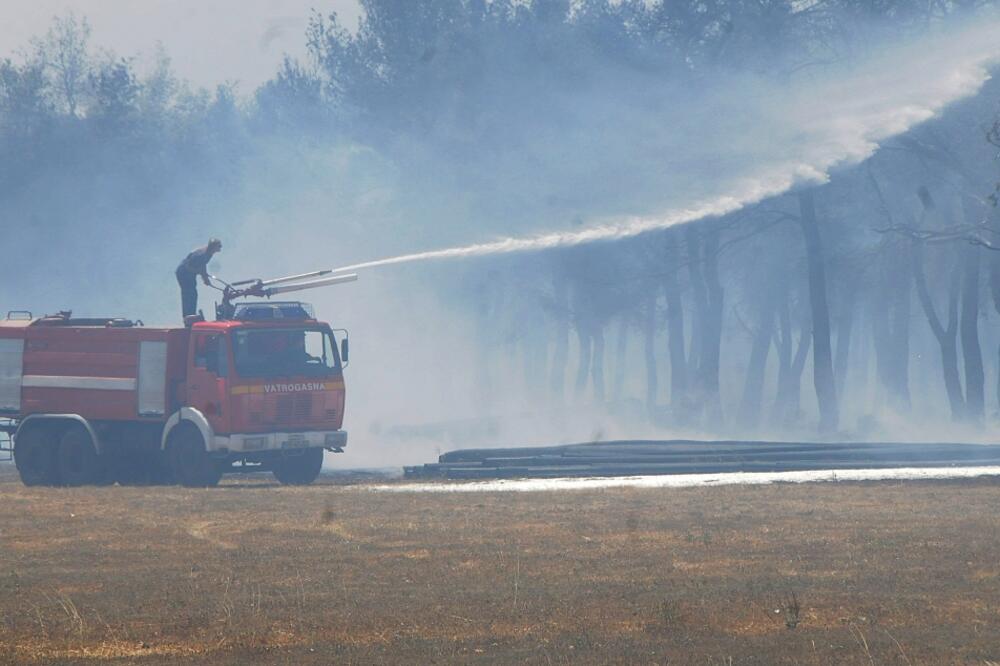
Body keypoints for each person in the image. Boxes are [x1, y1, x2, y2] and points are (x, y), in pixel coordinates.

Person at [175, 238, 222, 319]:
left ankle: (190, 315)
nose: (220, 248)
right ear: (214, 247)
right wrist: (200, 273)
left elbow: (203, 265)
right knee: (189, 294)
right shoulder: (201, 255)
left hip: (189, 273)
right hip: (184, 273)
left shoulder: (208, 253)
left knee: (192, 294)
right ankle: (188, 317)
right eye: (219, 246)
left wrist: (205, 277)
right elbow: (188, 266)